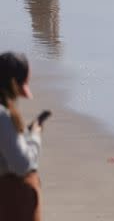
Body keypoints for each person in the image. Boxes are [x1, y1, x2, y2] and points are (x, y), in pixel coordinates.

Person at [0, 52, 45, 221]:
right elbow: (22, 164)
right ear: (12, 83)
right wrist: (35, 137)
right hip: (11, 201)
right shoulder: (3, 116)